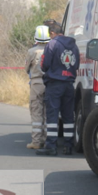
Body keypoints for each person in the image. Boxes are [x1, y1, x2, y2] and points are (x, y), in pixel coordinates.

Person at [36, 23, 79, 156]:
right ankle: (68, 146)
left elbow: (45, 64)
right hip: (69, 84)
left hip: (54, 84)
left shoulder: (52, 44)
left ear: (53, 33)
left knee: (52, 115)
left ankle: (51, 146)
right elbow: (76, 64)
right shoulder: (74, 45)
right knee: (68, 116)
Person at [25, 25, 49, 149]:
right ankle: (45, 139)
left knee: (36, 112)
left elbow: (26, 68)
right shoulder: (52, 50)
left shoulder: (32, 52)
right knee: (46, 111)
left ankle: (36, 142)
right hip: (49, 84)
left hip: (36, 84)